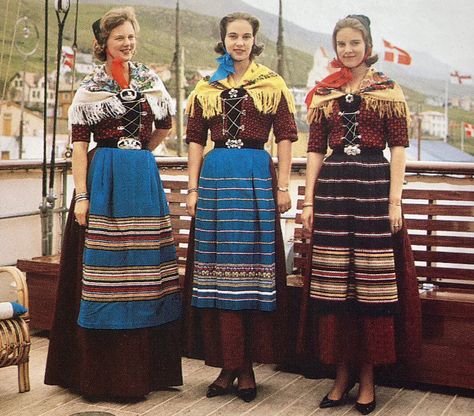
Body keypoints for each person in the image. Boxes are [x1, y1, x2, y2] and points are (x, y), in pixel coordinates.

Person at [44, 7, 182, 399]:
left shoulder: (150, 80)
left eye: (131, 37)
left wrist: (138, 151)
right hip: (103, 180)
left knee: (143, 268)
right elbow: (79, 146)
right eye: (119, 37)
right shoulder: (91, 86)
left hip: (140, 178)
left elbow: (165, 125)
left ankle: (147, 372)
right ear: (103, 44)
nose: (127, 43)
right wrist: (82, 195)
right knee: (104, 270)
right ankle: (101, 375)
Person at [299, 15, 421, 415]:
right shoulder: (325, 93)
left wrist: (394, 201)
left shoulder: (388, 91)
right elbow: (315, 149)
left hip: (372, 188)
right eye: (342, 44)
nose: (348, 50)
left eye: (355, 43)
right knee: (335, 284)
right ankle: (341, 375)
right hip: (333, 189)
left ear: (368, 47)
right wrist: (309, 200)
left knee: (369, 286)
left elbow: (399, 149)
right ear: (335, 49)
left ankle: (368, 380)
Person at [183, 12, 298, 403]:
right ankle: (225, 364)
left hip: (254, 175)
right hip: (216, 180)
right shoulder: (206, 86)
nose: (239, 43)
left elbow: (285, 138)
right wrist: (193, 188)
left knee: (251, 270)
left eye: (246, 36)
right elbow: (196, 140)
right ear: (223, 40)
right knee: (217, 271)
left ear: (254, 40)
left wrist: (283, 185)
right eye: (232, 36)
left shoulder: (272, 83)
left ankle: (247, 366)